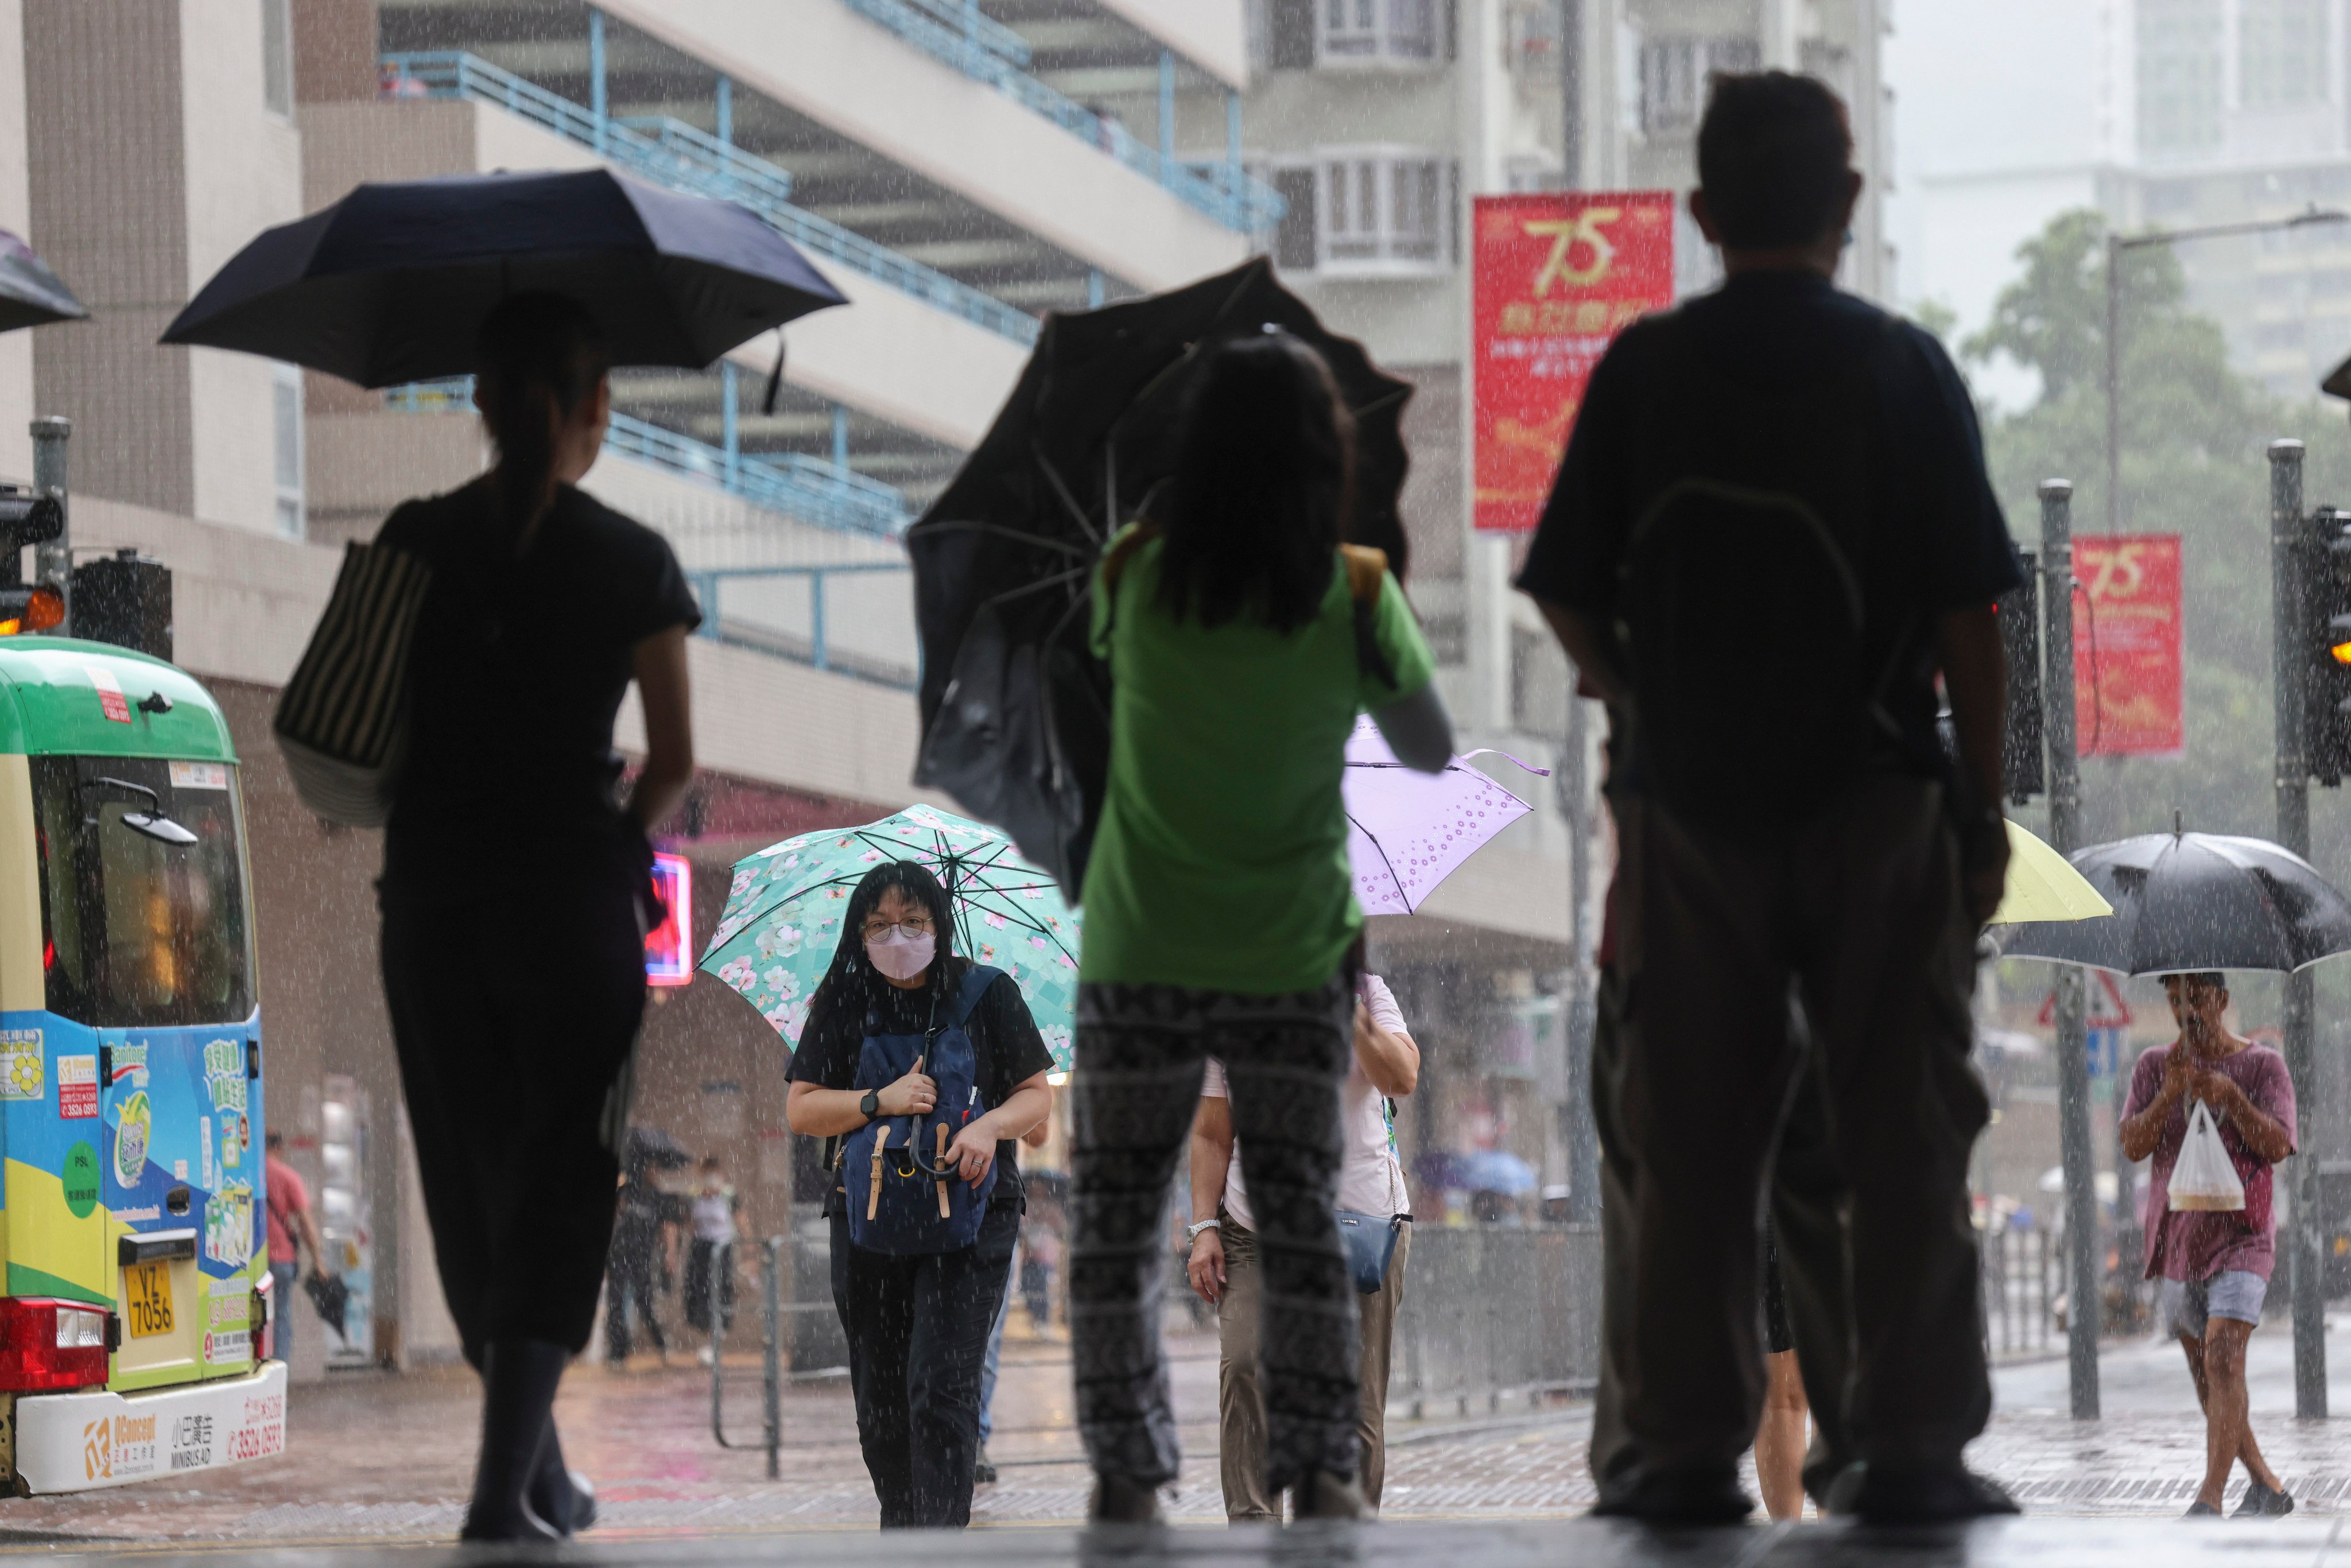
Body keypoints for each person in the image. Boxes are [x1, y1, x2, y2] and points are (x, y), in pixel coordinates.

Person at [1516, 71, 2020, 1524]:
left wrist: (1653, 698)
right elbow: (1968, 622)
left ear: (1700, 212)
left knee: (1693, 1134)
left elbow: (1559, 594)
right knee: (1899, 1129)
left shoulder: (1643, 372)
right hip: (1875, 804)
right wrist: (1976, 814)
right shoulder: (1903, 372)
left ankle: (1679, 1450)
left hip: (1691, 819)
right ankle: (1913, 1440)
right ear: (1848, 205)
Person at [1066, 331, 1450, 1525]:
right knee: (1294, 1209)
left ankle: (1126, 1472)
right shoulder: (1354, 589)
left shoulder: (1129, 571)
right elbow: (1431, 744)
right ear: (1323, 458)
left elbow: (1095, 687)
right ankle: (1328, 1464)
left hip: (1143, 941)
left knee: (1115, 1217)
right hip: (1292, 952)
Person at [374, 292, 700, 1541]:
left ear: (479, 404)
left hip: (435, 899)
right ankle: (501, 1491)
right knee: (560, 1179)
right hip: (570, 907)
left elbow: (358, 720)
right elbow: (670, 759)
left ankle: (537, 1472)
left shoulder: (413, 540)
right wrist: (614, 850)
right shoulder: (632, 560)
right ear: (588, 411)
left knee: (471, 1178)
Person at [783, 860, 1055, 1528]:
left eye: (912, 920)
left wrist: (989, 1127)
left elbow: (1035, 1098)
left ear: (940, 923)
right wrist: (880, 1099)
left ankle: (937, 1541)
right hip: (868, 1217)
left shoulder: (987, 993)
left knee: (939, 1387)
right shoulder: (845, 1000)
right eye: (878, 924)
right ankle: (901, 1533)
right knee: (879, 1397)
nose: (895, 936)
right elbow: (802, 1108)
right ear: (859, 932)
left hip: (971, 1217)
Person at [1188, 971, 1419, 1519]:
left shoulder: (1367, 990)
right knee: (1247, 1367)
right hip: (1253, 1226)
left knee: (1353, 1403)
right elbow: (1212, 1131)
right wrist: (1203, 1228)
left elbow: (1401, 1077)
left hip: (1358, 1226)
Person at [2118, 972, 2299, 1519]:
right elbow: (2132, 1145)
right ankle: (2265, 1484)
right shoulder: (2155, 1066)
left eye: (2196, 998)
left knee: (2223, 1354)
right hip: (2180, 1240)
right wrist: (2172, 1091)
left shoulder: (2263, 1066)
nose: (2186, 1011)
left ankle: (2210, 1497)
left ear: (2222, 1000)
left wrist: (2232, 1098)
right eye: (2175, 1000)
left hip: (2244, 1235)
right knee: (2210, 1375)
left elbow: (2279, 1145)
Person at [975, 1118, 1052, 1485]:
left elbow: (1038, 1133)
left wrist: (992, 1118)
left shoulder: (1004, 1059)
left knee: (986, 1341)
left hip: (991, 1211)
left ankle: (972, 1437)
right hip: (918, 1206)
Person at [1751, 1220, 1809, 1522]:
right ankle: (1789, 1540)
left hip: (1863, 1188)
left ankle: (1847, 1535)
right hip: (1769, 1201)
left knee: (1846, 1381)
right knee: (1783, 1394)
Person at [605, 1144, 678, 1367]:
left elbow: (668, 1227)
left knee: (644, 1302)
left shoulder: (660, 1198)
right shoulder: (626, 1191)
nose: (654, 1173)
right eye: (651, 1169)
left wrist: (670, 1254)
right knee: (615, 1302)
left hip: (642, 1256)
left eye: (657, 1170)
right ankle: (618, 1351)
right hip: (619, 1254)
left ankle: (661, 1343)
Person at [263, 1131, 329, 1367]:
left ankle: (256, 1376)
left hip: (253, 1261)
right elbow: (306, 1223)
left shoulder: (250, 1176)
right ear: (279, 1148)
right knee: (280, 1321)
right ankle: (278, 1384)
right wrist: (318, 1260)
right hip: (280, 1261)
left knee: (255, 1321)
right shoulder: (288, 1177)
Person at [684, 1155, 742, 1359]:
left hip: (722, 1247)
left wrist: (749, 1253)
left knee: (719, 1288)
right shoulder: (694, 1194)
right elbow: (689, 1222)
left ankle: (717, 1337)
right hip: (701, 1247)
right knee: (699, 1291)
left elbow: (741, 1222)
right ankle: (708, 1334)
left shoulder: (728, 1195)